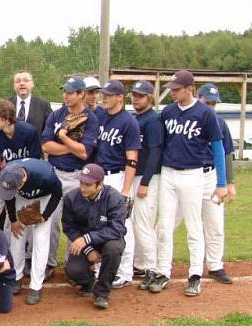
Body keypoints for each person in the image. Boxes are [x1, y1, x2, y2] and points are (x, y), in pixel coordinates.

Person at [152, 70, 227, 297]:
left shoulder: (206, 114)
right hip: (168, 173)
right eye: (171, 89)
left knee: (194, 226)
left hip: (193, 174)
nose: (172, 93)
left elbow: (218, 149)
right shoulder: (168, 112)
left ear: (189, 89)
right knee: (164, 225)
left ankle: (195, 275)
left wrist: (222, 182)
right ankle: (163, 271)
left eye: (176, 89)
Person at [41, 76, 100, 276]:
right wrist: (72, 147)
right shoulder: (56, 115)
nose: (65, 95)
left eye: (70, 92)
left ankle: (71, 264)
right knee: (50, 220)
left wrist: (64, 138)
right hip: (55, 174)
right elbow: (45, 146)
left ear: (81, 94)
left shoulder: (91, 119)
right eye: (64, 91)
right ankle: (48, 263)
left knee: (76, 222)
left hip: (78, 177)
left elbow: (85, 153)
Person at [94, 80, 141, 289]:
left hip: (118, 175)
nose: (104, 98)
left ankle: (124, 272)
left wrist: (126, 189)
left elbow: (132, 158)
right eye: (103, 94)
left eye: (109, 95)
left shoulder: (128, 122)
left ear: (120, 97)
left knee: (123, 225)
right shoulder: (101, 116)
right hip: (100, 176)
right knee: (98, 222)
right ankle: (99, 267)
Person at [61, 163, 127, 309]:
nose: (83, 188)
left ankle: (102, 293)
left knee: (113, 249)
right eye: (81, 183)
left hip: (108, 239)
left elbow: (117, 229)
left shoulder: (114, 198)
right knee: (73, 271)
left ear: (100, 184)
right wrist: (88, 249)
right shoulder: (71, 198)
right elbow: (69, 226)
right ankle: (88, 281)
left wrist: (87, 238)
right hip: (85, 242)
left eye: (88, 184)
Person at [0, 159, 62, 304]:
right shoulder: (7, 174)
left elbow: (57, 194)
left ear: (23, 179)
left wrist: (45, 216)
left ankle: (36, 286)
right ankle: (16, 278)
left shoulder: (46, 175)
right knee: (16, 237)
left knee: (40, 239)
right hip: (21, 198)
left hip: (44, 198)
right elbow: (9, 197)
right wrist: (13, 220)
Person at [196, 83, 235, 284]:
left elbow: (226, 153)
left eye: (213, 103)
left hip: (210, 176)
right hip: (187, 175)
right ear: (198, 98)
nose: (210, 106)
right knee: (168, 224)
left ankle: (215, 265)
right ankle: (158, 267)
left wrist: (229, 182)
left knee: (215, 224)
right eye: (207, 102)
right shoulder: (189, 119)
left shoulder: (219, 123)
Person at [128, 80, 164, 291]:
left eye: (140, 95)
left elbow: (155, 152)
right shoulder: (136, 118)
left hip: (146, 177)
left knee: (143, 224)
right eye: (133, 95)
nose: (136, 99)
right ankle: (140, 264)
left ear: (149, 98)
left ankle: (152, 268)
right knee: (134, 223)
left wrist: (146, 182)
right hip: (134, 175)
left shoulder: (153, 120)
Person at [0, 99, 42, 167]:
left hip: (28, 173)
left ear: (6, 119)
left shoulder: (29, 132)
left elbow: (36, 161)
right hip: (5, 175)